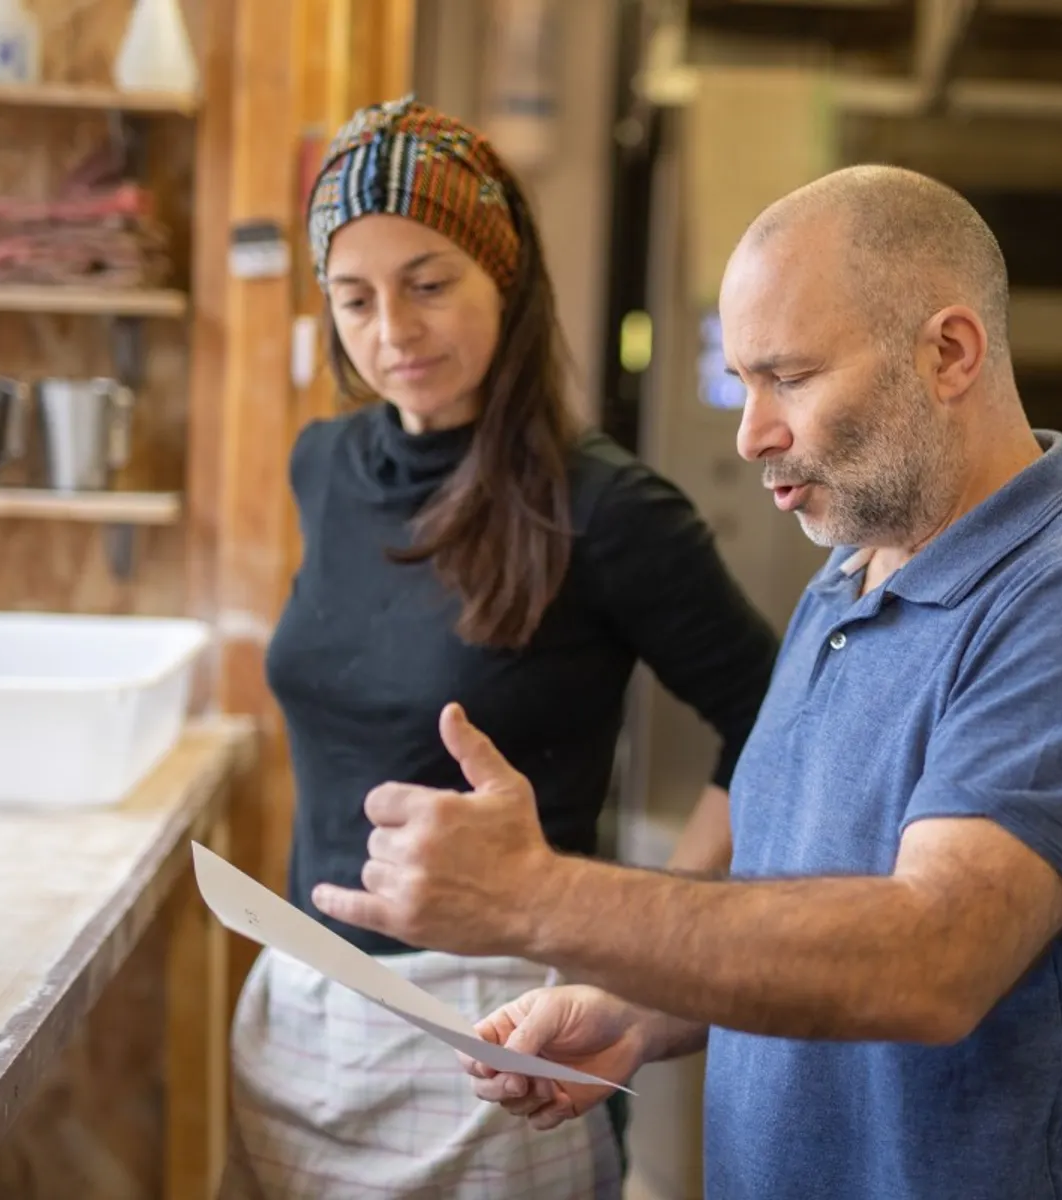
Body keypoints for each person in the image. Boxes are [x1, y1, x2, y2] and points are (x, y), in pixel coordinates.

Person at [309, 163, 1062, 1200]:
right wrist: (640, 1010)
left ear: (950, 353)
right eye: (742, 381)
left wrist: (539, 898)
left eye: (789, 376)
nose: (751, 435)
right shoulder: (847, 580)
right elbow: (803, 910)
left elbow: (934, 960)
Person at [219, 97, 780, 1199]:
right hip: (299, 1006)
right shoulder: (323, 466)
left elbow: (775, 717)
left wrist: (653, 936)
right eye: (354, 298)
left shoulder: (607, 507)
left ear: (505, 276)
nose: (393, 330)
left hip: (492, 1029)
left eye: (429, 284)